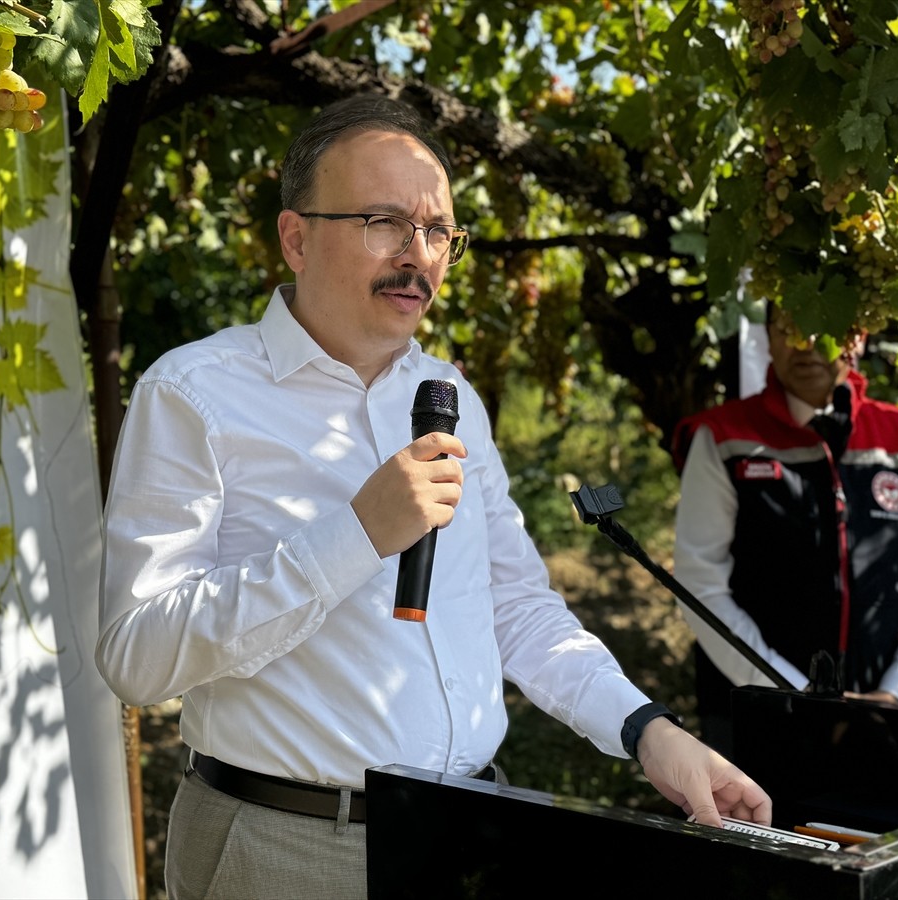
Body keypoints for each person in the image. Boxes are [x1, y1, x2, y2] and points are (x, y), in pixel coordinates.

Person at [96, 93, 772, 899]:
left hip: (468, 837)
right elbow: (137, 657)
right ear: (296, 237)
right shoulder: (194, 394)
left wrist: (647, 730)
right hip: (288, 846)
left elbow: (515, 606)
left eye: (439, 231)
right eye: (384, 222)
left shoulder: (451, 397)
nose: (418, 255)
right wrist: (354, 536)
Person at [669, 305, 898, 757]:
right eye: (788, 327)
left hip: (882, 714)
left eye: (823, 324)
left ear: (857, 335)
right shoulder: (723, 436)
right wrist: (790, 691)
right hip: (756, 710)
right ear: (768, 337)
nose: (804, 344)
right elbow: (698, 583)